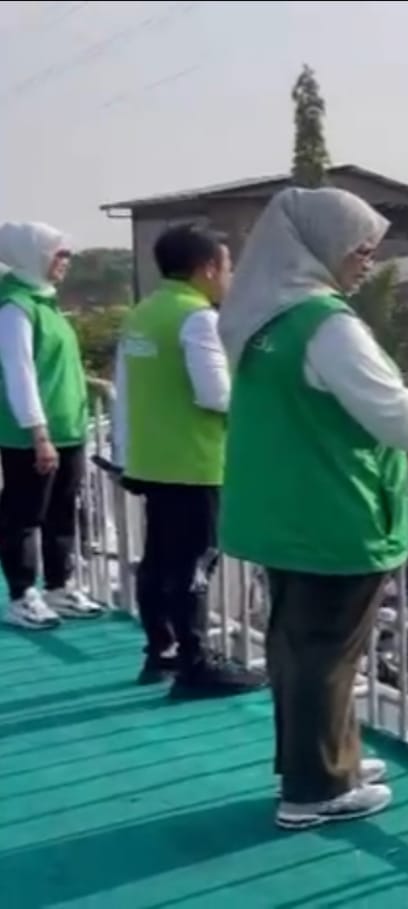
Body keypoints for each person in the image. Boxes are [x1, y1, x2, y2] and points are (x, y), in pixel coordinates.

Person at [217, 187, 408, 830]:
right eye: (360, 248)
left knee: (297, 645)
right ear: (319, 248)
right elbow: (399, 418)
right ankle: (315, 788)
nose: (369, 260)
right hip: (331, 510)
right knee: (325, 653)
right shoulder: (326, 325)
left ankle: (326, 761)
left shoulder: (262, 319)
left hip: (283, 508)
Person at [114, 224, 264, 696]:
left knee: (158, 560)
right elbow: (215, 394)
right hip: (195, 462)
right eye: (227, 266)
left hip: (152, 459)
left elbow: (124, 389)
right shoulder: (197, 318)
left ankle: (160, 652)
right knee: (195, 564)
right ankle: (196, 664)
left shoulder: (143, 313)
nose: (230, 276)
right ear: (206, 269)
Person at [0, 222, 103, 630]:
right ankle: (23, 594)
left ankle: (60, 586)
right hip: (33, 436)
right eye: (58, 254)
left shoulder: (46, 302)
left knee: (63, 510)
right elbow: (19, 373)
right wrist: (38, 433)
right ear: (33, 255)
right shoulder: (14, 308)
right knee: (25, 513)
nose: (66, 262)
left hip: (69, 431)